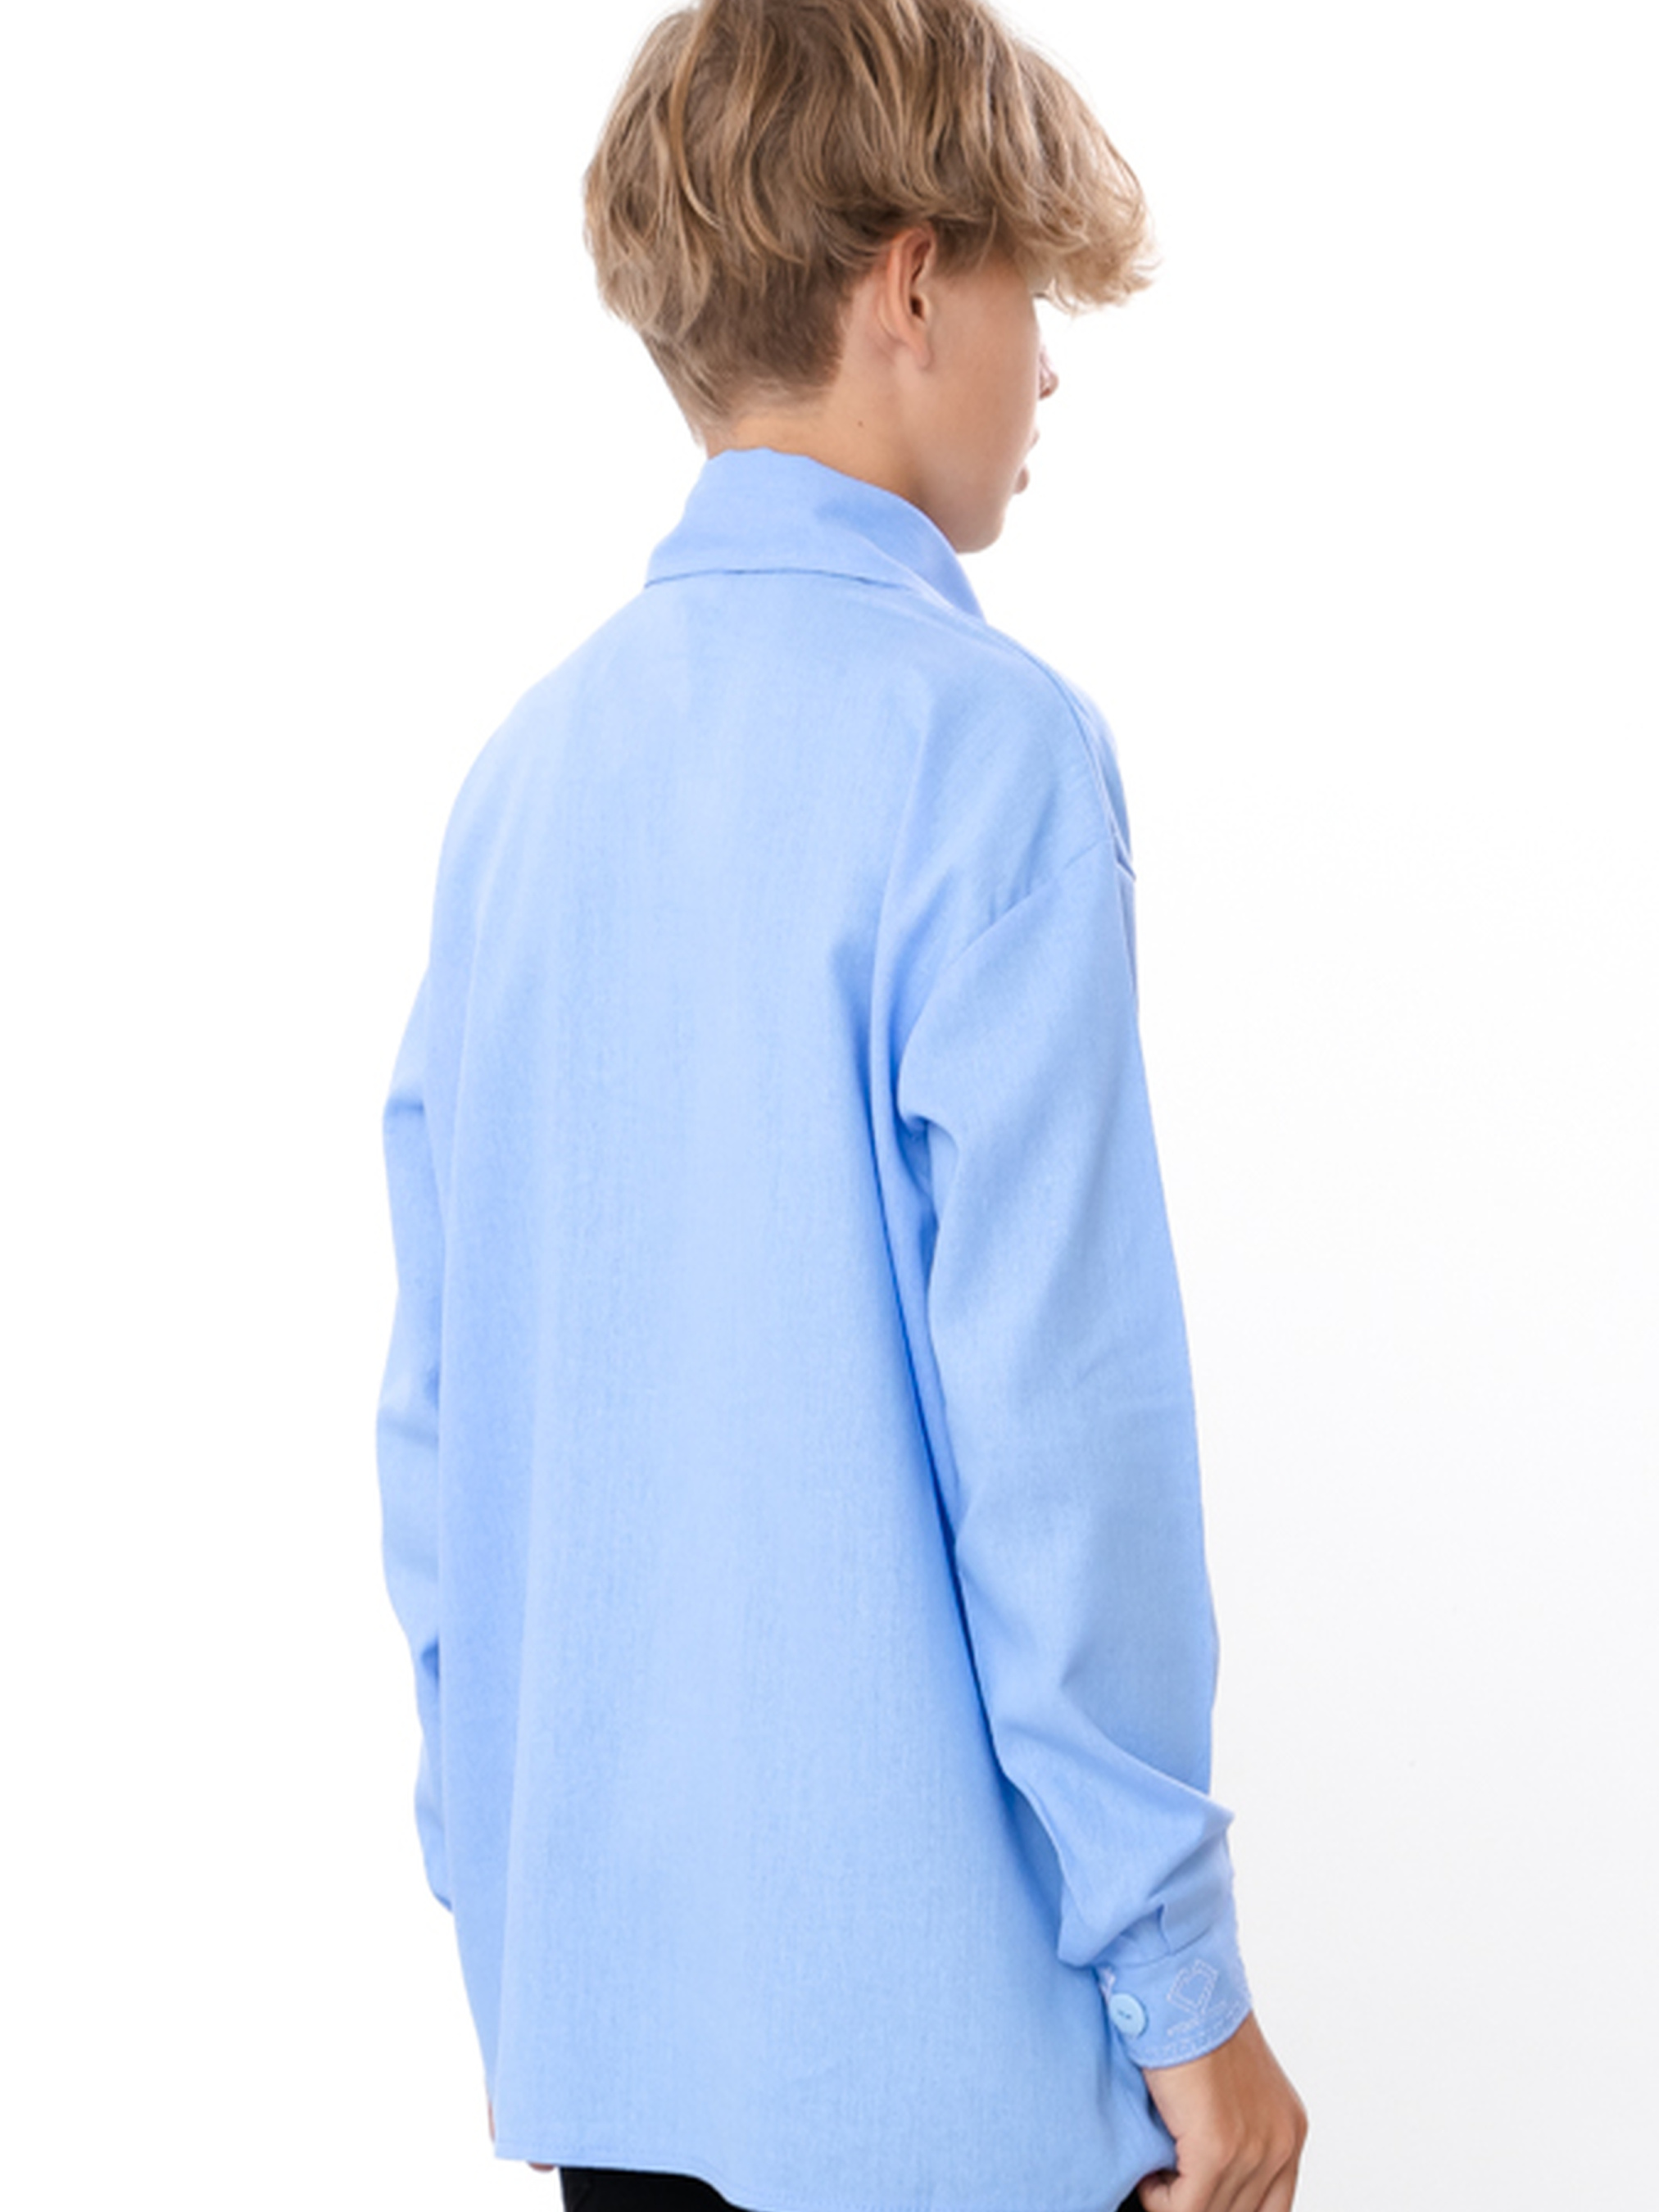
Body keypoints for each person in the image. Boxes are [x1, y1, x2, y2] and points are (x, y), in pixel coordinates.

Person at [374, 3, 1308, 2210]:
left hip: (608, 2045)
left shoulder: (524, 782)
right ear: (911, 285)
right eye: (1030, 295)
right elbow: (1057, 1439)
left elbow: (439, 1439)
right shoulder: (986, 752)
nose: (1046, 373)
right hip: (942, 2086)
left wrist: (512, 1906)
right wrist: (1187, 1991)